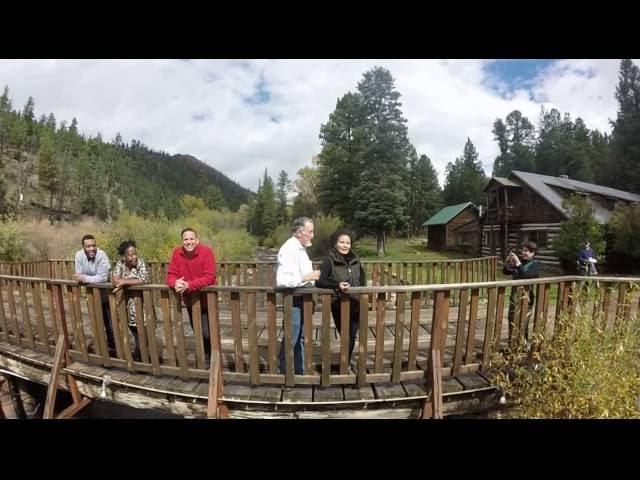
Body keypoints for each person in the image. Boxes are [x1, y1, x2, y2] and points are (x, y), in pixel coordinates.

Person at [276, 217, 321, 375]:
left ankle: (300, 371)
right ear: (300, 232)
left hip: (302, 299)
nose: (312, 235)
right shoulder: (289, 249)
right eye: (310, 231)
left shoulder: (300, 248)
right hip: (293, 300)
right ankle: (283, 373)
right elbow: (283, 281)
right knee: (291, 337)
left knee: (299, 337)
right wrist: (309, 277)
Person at [166, 228, 216, 363]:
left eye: (191, 239)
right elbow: (171, 274)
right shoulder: (177, 253)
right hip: (190, 301)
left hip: (207, 300)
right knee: (198, 331)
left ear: (197, 239)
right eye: (186, 239)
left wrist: (188, 285)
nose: (189, 242)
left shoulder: (207, 252)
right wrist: (175, 283)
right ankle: (207, 358)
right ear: (182, 241)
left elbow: (210, 277)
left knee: (208, 333)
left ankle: (214, 359)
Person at [316, 228, 365, 365]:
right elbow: (320, 282)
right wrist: (337, 285)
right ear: (335, 244)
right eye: (342, 242)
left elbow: (362, 278)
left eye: (348, 243)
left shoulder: (356, 259)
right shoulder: (329, 261)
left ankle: (345, 363)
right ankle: (345, 364)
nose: (345, 245)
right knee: (346, 336)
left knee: (352, 335)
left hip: (356, 303)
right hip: (339, 304)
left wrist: (362, 293)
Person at [74, 234, 114, 355]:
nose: (91, 248)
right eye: (88, 246)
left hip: (107, 295)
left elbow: (103, 277)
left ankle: (114, 349)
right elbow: (78, 275)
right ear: (83, 247)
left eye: (93, 245)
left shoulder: (102, 255)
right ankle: (101, 348)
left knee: (110, 324)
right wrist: (90, 278)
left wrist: (85, 279)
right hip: (91, 296)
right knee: (96, 323)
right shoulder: (79, 255)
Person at [111, 240, 149, 361]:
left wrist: (125, 282)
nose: (134, 257)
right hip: (127, 307)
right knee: (138, 335)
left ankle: (140, 359)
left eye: (135, 253)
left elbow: (144, 279)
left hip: (143, 305)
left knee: (144, 335)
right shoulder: (119, 265)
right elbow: (115, 280)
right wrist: (128, 281)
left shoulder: (141, 262)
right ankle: (139, 360)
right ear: (124, 256)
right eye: (130, 255)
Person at [503, 241, 540, 345]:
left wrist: (518, 263)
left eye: (526, 251)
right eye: (523, 250)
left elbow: (526, 276)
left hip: (527, 299)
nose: (523, 253)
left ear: (533, 253)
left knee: (523, 322)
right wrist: (508, 262)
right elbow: (506, 272)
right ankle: (511, 344)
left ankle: (523, 345)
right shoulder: (520, 263)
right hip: (514, 297)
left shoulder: (535, 265)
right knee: (512, 320)